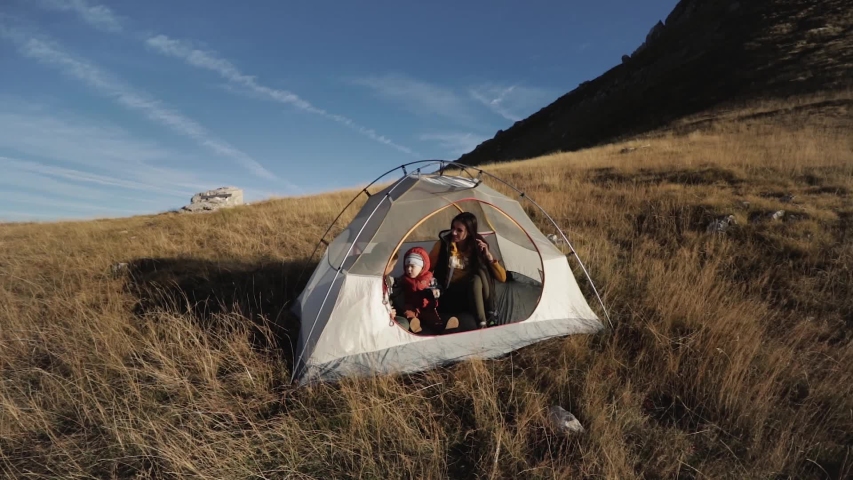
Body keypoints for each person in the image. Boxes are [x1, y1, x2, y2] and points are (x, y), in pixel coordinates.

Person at [429, 211, 507, 329]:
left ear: (470, 232)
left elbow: (502, 278)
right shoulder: (443, 245)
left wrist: (488, 256)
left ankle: (484, 321)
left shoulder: (478, 247)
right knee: (476, 277)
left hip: (471, 294)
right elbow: (427, 269)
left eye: (459, 230)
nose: (454, 232)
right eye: (453, 228)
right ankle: (488, 317)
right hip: (449, 294)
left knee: (478, 274)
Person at [398, 246, 459, 334]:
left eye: (412, 266)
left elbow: (438, 288)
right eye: (407, 266)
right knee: (408, 314)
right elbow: (396, 288)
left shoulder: (429, 278)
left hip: (427, 307)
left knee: (433, 318)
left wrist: (435, 292)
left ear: (422, 267)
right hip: (411, 307)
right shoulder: (404, 279)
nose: (409, 269)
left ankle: (444, 327)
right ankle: (414, 324)